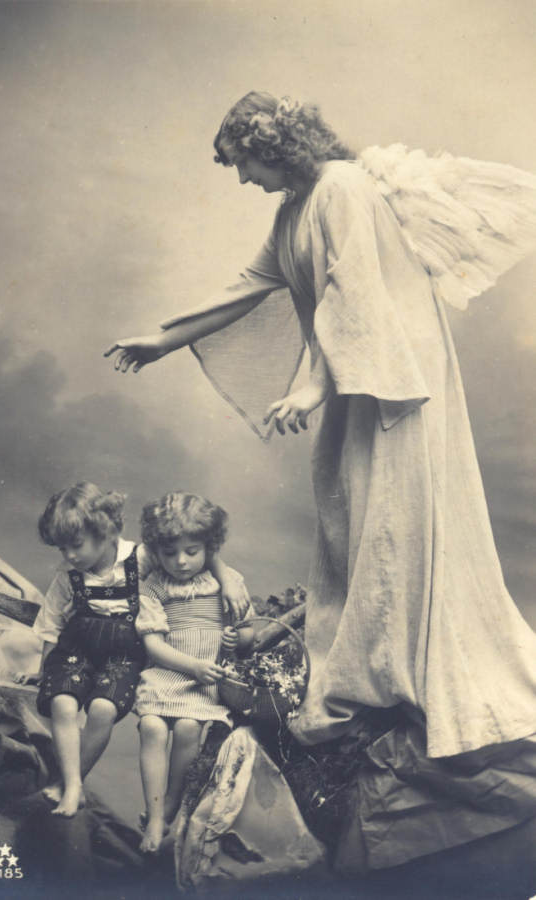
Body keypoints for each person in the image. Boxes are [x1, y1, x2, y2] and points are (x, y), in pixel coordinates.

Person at [104, 92, 536, 866]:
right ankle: (369, 676)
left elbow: (350, 298)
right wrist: (162, 339)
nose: (242, 179)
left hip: (392, 388)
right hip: (355, 385)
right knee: (349, 529)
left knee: (393, 530)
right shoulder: (296, 208)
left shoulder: (342, 189)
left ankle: (403, 681)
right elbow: (249, 283)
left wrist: (309, 387)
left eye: (244, 163)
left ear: (276, 148)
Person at [32, 481, 248, 818]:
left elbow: (196, 544)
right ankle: (72, 784)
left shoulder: (141, 556)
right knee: (62, 701)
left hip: (123, 653)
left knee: (102, 709)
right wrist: (43, 670)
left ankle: (71, 781)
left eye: (76, 545)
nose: (70, 556)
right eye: (63, 549)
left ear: (105, 532)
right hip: (78, 649)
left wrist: (229, 580)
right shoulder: (67, 577)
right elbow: (50, 625)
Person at [133, 491, 254, 854]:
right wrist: (193, 667)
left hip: (206, 682)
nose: (181, 561)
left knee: (188, 729)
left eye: (191, 551)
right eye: (170, 553)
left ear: (210, 547)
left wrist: (237, 639)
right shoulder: (153, 586)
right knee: (152, 727)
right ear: (156, 551)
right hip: (168, 673)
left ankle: (170, 804)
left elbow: (250, 632)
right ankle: (155, 817)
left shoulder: (227, 583)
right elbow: (153, 645)